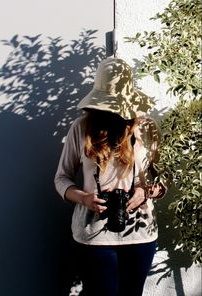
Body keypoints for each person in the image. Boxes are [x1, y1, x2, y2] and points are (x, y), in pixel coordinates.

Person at [54, 58, 167, 296]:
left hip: (140, 235)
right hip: (93, 237)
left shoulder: (147, 129)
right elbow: (61, 178)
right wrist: (84, 198)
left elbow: (162, 182)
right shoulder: (81, 128)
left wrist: (143, 193)